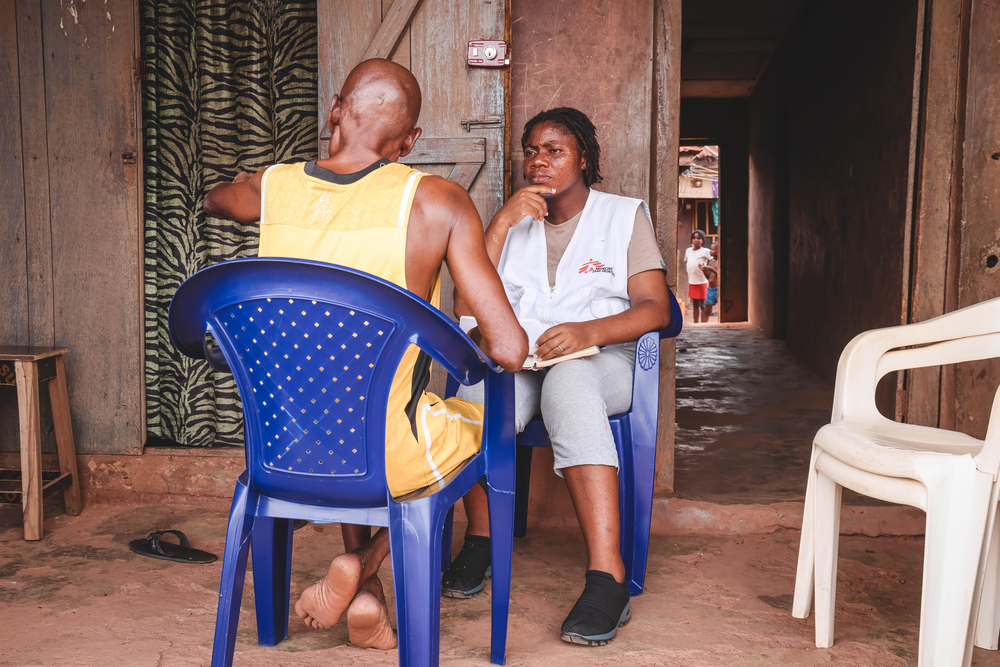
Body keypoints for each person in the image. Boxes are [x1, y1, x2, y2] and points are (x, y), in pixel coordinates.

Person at [202, 58, 527, 651]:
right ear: (410, 142)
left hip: (284, 449)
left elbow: (215, 201)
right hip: (388, 456)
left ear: (335, 111)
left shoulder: (271, 188)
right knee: (464, 427)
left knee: (344, 404)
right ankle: (367, 568)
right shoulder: (439, 201)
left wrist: (254, 183)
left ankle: (364, 589)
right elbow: (508, 348)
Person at [448, 107, 672, 646]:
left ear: (584, 159)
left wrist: (589, 333)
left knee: (570, 386)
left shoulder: (622, 216)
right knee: (474, 395)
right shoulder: (511, 226)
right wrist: (499, 224)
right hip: (523, 363)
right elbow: (466, 312)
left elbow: (656, 309)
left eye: (554, 150)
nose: (538, 161)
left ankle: (606, 575)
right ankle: (479, 540)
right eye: (530, 151)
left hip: (602, 363)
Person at [684, 230, 712, 323]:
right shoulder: (688, 251)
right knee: (695, 305)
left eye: (698, 238)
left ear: (702, 240)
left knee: (702, 305)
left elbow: (714, 258)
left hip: (702, 281)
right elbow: (688, 261)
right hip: (692, 281)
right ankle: (696, 324)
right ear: (692, 240)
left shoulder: (705, 251)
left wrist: (708, 270)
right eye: (694, 238)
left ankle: (703, 324)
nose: (696, 240)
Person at [701, 242, 719, 320]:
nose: (710, 251)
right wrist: (704, 270)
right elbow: (708, 278)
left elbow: (720, 275)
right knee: (707, 309)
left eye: (712, 250)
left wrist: (711, 269)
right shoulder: (711, 262)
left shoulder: (720, 263)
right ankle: (703, 326)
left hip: (718, 289)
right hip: (710, 289)